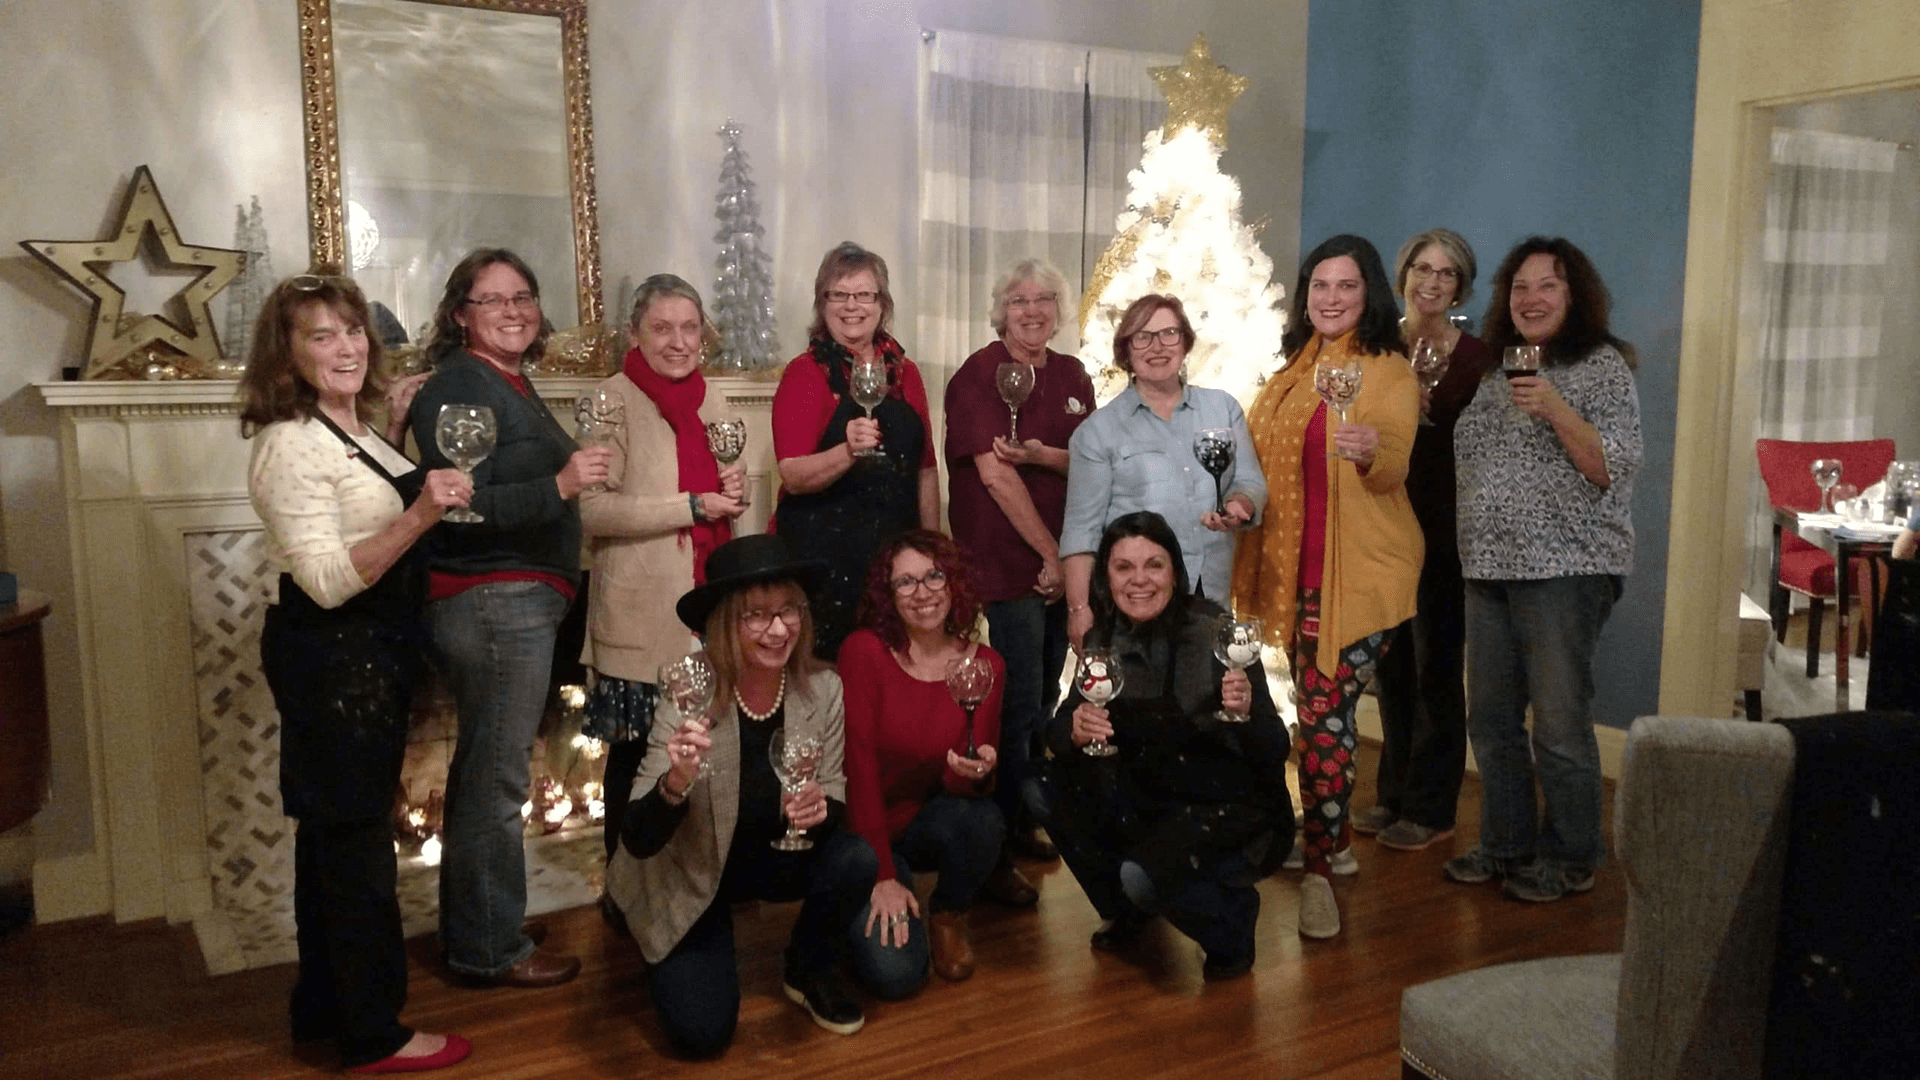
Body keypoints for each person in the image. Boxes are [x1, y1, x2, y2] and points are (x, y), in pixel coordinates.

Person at [242, 270, 473, 1074]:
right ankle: (375, 1031)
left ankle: (323, 1008)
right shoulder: (288, 443)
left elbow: (365, 501)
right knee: (355, 850)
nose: (344, 347)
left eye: (351, 331)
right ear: (287, 353)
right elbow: (329, 578)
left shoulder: (352, 429)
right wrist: (423, 511)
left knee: (332, 843)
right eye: (320, 335)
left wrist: (401, 440)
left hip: (369, 654)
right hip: (335, 658)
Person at [604, 535, 904, 1057]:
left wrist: (818, 811)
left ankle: (807, 969)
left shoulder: (823, 688)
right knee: (701, 1036)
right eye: (757, 615)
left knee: (855, 857)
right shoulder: (690, 688)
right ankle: (662, 932)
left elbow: (831, 794)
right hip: (693, 866)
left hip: (771, 852)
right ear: (725, 623)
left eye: (789, 609)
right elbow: (638, 835)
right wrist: (674, 783)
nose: (779, 628)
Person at [410, 248, 612, 987]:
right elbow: (459, 509)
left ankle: (483, 925)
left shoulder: (505, 382)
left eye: (522, 295)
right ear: (461, 312)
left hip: (514, 602)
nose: (513, 310)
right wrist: (560, 484)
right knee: (496, 783)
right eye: (492, 299)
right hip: (493, 603)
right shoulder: (461, 387)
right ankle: (489, 952)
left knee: (486, 775)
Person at [1231, 234, 1423, 939]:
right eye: (1319, 285)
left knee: (1323, 713)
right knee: (1319, 713)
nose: (1332, 298)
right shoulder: (1291, 372)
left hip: (1360, 576)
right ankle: (1335, 843)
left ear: (1369, 293)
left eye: (1346, 286)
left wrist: (1373, 452)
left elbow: (1395, 460)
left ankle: (1318, 867)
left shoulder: (1387, 373)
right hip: (1295, 574)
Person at [1444, 236, 1642, 904]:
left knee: (1557, 726)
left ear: (1574, 294)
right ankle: (1506, 844)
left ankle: (1572, 852)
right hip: (1489, 568)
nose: (1530, 298)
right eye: (1519, 287)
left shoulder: (1601, 367)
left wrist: (1556, 406)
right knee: (1493, 723)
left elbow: (1609, 467)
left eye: (1547, 285)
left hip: (1566, 568)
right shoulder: (1499, 372)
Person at [1035, 512, 1290, 980]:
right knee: (1041, 785)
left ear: (1175, 570)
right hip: (1152, 792)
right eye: (1123, 567)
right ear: (1105, 577)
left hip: (1221, 801)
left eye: (1154, 565)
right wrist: (1074, 729)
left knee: (1141, 875)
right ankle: (1130, 911)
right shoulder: (1102, 636)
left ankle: (1231, 926)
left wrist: (1249, 712)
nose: (1139, 581)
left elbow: (1276, 748)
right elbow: (1056, 733)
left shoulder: (1215, 630)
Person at [579, 274, 747, 882]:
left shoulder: (714, 401)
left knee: (698, 754)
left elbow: (731, 484)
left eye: (689, 328)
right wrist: (693, 505)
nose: (678, 342)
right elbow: (593, 511)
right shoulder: (610, 400)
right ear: (635, 333)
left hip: (706, 612)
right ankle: (623, 888)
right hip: (639, 622)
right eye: (662, 328)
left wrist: (735, 489)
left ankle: (686, 882)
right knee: (634, 763)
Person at [941, 256, 1095, 894]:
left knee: (1044, 701)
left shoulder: (1072, 374)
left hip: (1066, 561)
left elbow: (1090, 460)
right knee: (1012, 704)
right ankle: (991, 848)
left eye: (1045, 300)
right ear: (1001, 310)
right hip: (1008, 567)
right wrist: (1048, 555)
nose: (1033, 311)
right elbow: (996, 476)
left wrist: (1067, 557)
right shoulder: (979, 374)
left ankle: (1022, 815)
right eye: (1019, 300)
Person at [1356, 229, 1498, 853]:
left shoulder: (1477, 358)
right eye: (1422, 269)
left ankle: (1433, 805)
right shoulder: (1382, 349)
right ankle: (1393, 794)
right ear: (1404, 274)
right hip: (1383, 527)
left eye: (1446, 273)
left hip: (1443, 532)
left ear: (1460, 285)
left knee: (1437, 669)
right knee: (1392, 669)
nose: (1432, 282)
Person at [839, 530, 1008, 984]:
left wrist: (977, 773)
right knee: (896, 978)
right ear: (888, 596)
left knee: (985, 817)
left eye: (934, 576)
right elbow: (857, 771)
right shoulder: (865, 652)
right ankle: (848, 910)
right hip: (861, 831)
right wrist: (882, 876)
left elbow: (965, 790)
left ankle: (948, 915)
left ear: (953, 582)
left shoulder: (985, 665)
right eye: (905, 583)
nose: (923, 593)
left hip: (920, 823)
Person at [1060, 293, 1268, 648]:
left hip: (1210, 592)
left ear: (1185, 342)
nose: (1157, 346)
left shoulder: (1222, 408)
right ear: (1126, 350)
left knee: (1208, 693)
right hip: (1135, 599)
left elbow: (1249, 482)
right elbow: (1082, 531)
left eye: (1169, 333)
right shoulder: (1097, 432)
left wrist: (1239, 506)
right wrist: (1079, 610)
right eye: (1143, 336)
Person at [772, 242, 941, 662]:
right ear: (821, 303)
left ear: (882, 304)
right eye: (838, 295)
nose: (852, 306)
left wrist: (932, 551)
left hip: (893, 559)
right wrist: (847, 451)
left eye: (864, 294)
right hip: (824, 561)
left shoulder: (906, 373)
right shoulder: (805, 374)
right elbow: (792, 474)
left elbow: (925, 470)